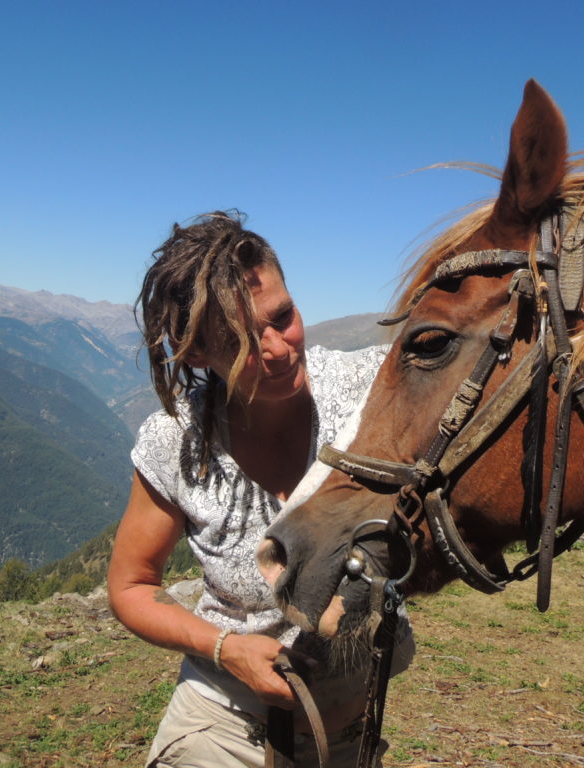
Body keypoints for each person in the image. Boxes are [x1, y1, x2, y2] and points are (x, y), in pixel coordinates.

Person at [107, 210, 412, 767]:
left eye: (284, 316)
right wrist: (225, 649)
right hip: (221, 721)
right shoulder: (175, 443)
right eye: (243, 341)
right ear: (197, 353)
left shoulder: (371, 394)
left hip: (349, 730)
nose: (277, 349)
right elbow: (130, 587)